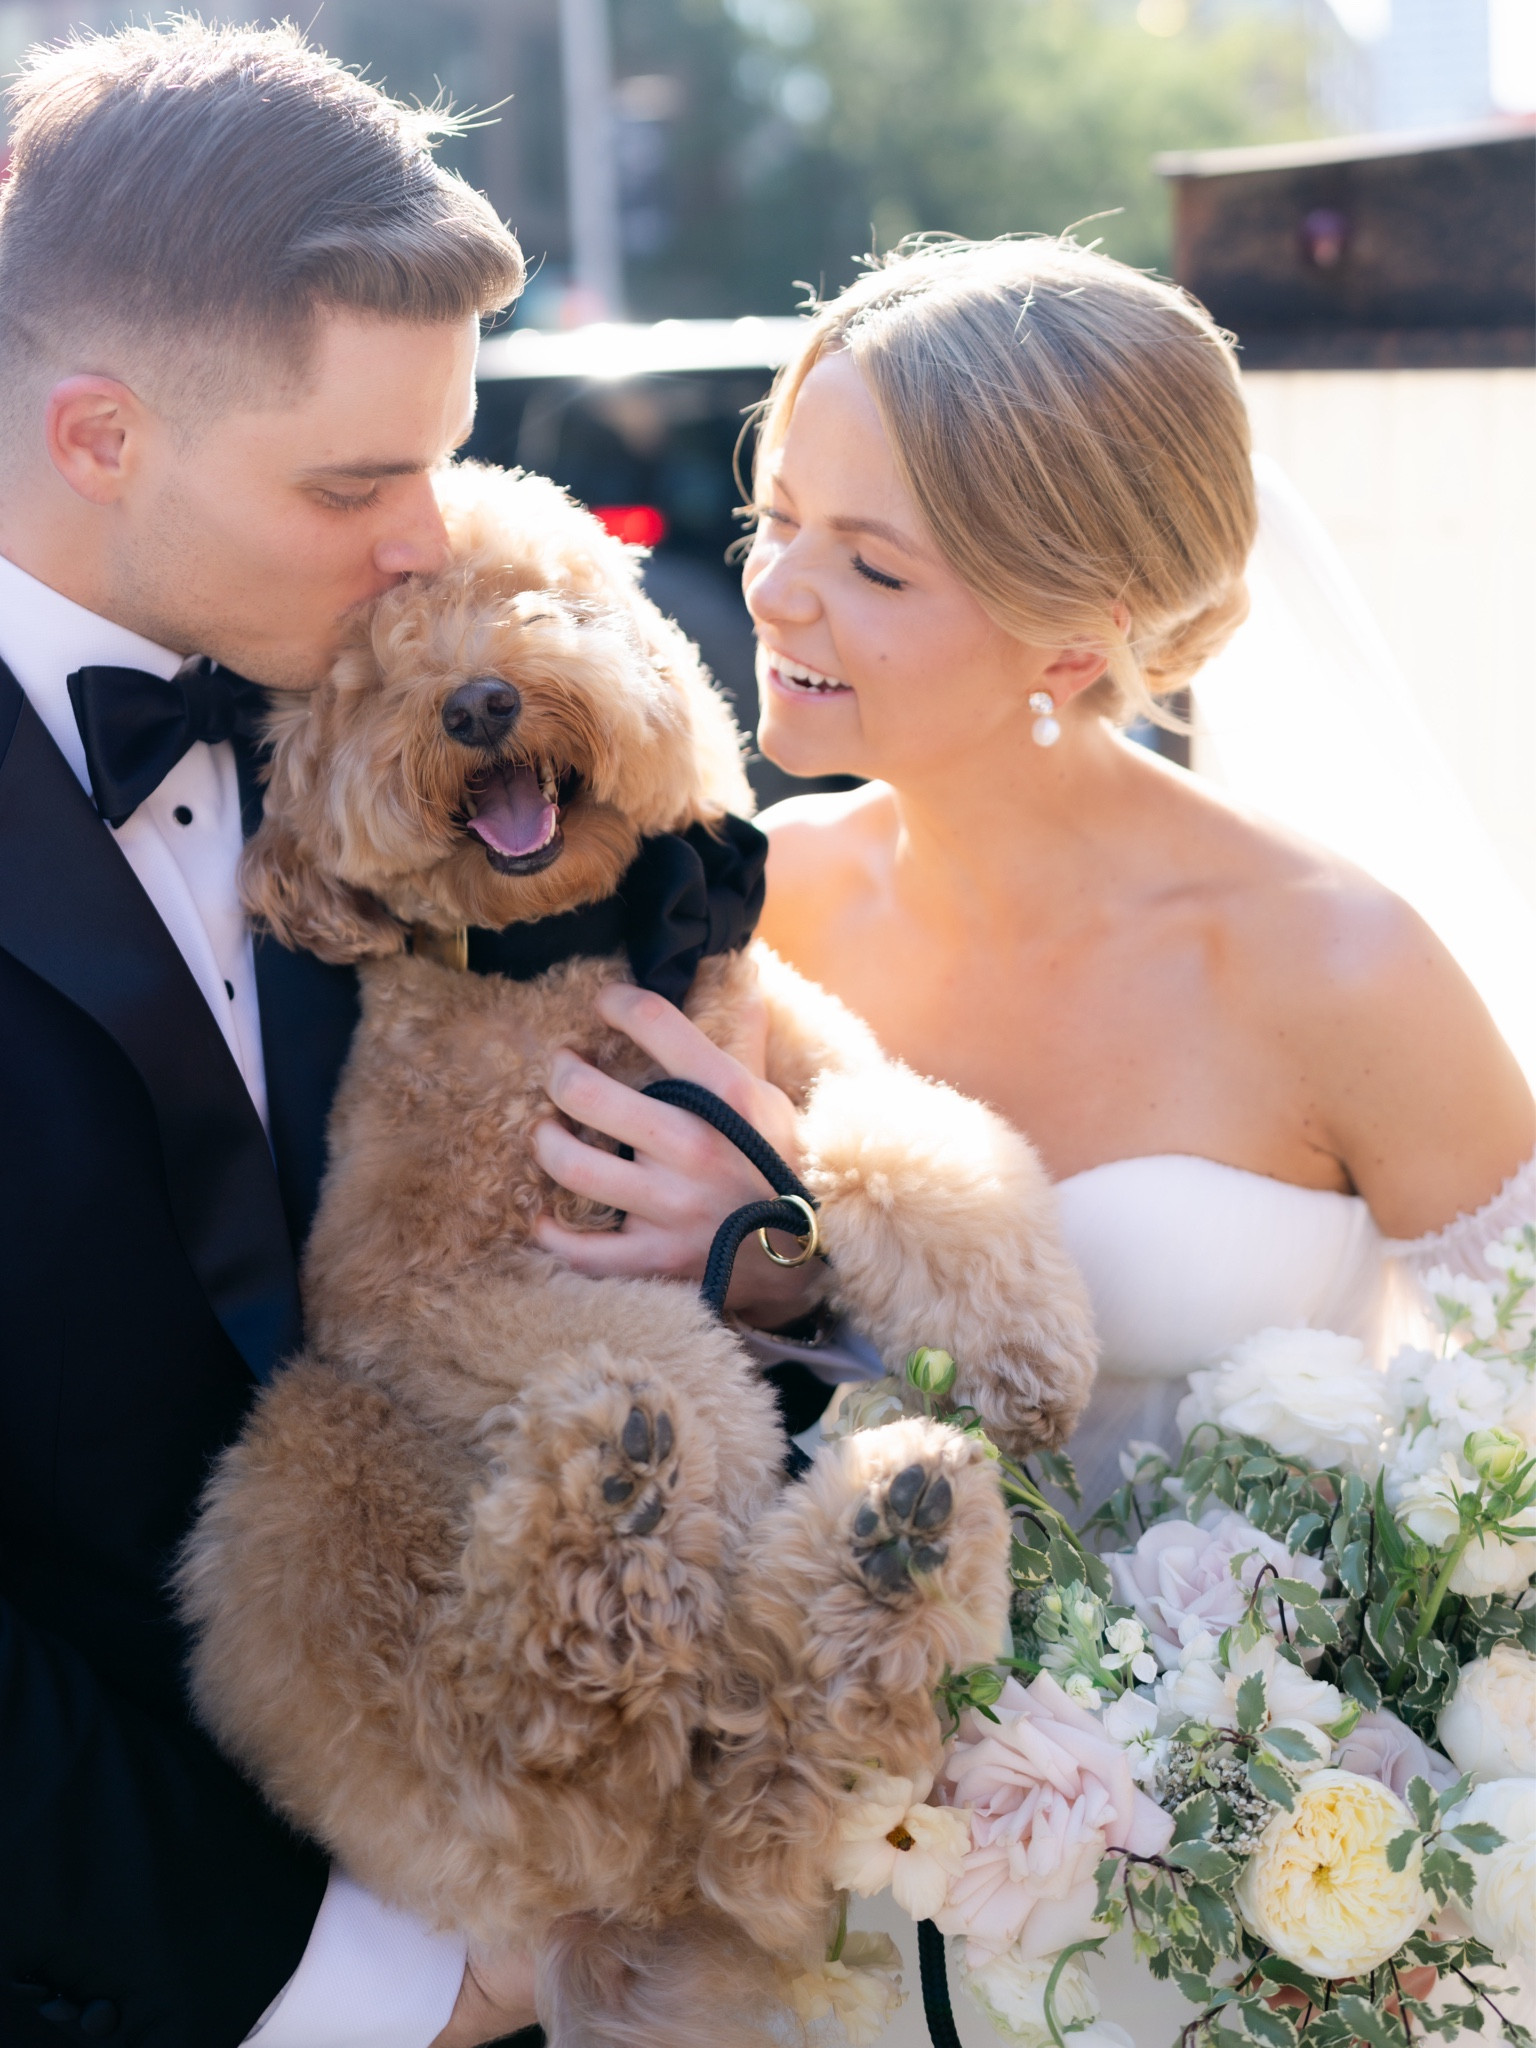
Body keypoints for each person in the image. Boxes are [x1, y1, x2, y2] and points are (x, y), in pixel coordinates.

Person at [540, 236, 1535, 1520]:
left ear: (1078, 638)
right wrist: (776, 1272)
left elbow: (1511, 1413)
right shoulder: (764, 905)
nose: (775, 593)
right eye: (774, 519)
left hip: (1266, 1701)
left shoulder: (1341, 965)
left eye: (873, 565)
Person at [0, 24, 542, 2047]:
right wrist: (354, 1984)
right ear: (99, 436)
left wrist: (764, 1224)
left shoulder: (415, 690)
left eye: (442, 452)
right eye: (357, 480)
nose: (428, 536)